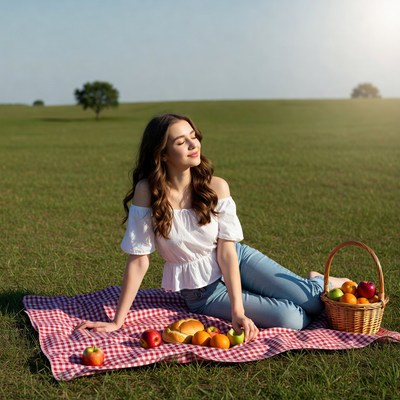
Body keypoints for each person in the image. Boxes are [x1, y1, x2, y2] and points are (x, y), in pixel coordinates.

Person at [75, 113, 348, 342]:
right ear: (164, 153)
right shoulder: (147, 191)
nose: (194, 145)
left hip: (237, 259)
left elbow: (227, 252)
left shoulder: (216, 186)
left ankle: (314, 280)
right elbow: (139, 259)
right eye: (182, 142)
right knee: (295, 318)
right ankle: (291, 290)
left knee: (314, 302)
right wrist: (117, 321)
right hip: (203, 291)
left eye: (193, 136)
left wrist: (238, 310)